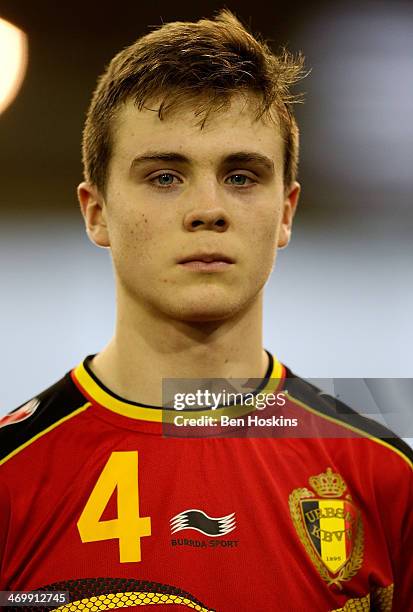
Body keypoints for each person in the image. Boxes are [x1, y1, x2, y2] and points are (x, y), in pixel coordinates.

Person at [0, 9, 411, 611]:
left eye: (242, 176)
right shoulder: (12, 477)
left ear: (287, 212)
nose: (208, 209)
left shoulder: (383, 477)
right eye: (165, 176)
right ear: (96, 213)